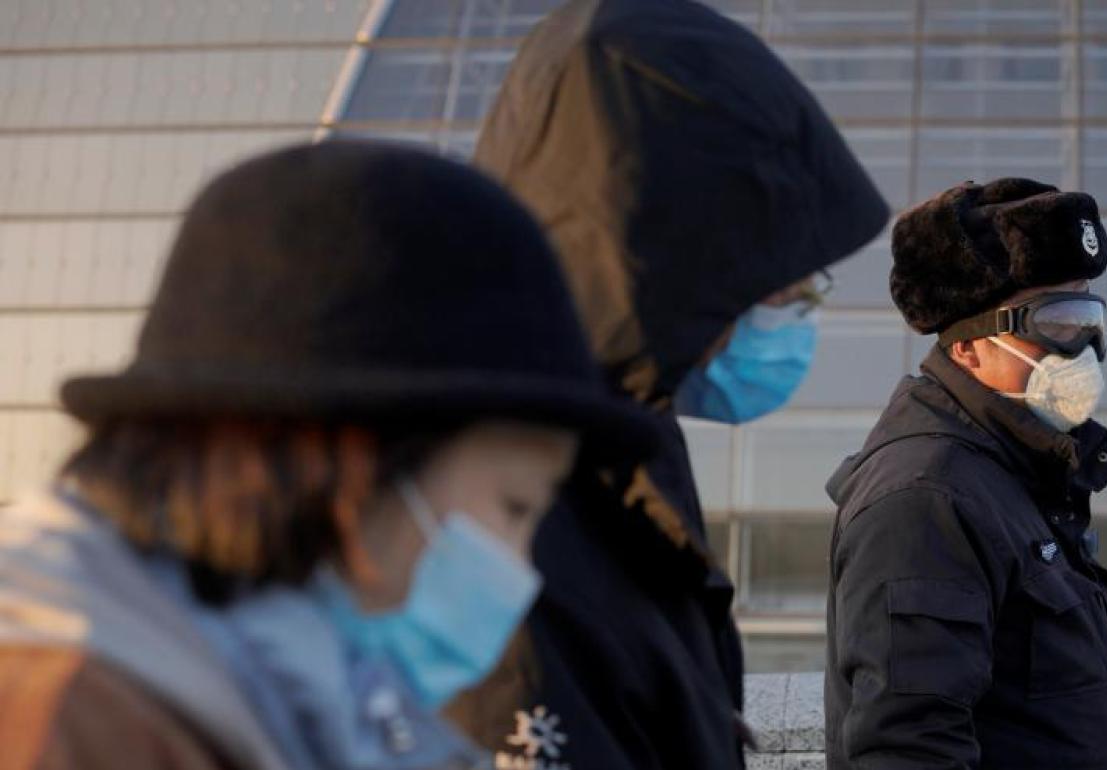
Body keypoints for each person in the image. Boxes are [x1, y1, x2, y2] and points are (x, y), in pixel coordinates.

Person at [0, 140, 660, 770]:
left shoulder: (271, 704)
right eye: (516, 507)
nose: (522, 569)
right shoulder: (66, 724)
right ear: (344, 461)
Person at [460, 1, 890, 767]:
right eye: (787, 287)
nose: (796, 313)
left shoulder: (607, 461)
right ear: (676, 271)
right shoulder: (502, 530)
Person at [823, 178, 1107, 769]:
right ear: (967, 347)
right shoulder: (926, 496)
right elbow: (910, 748)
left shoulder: (1015, 470)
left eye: (1089, 316)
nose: (1085, 348)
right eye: (1059, 321)